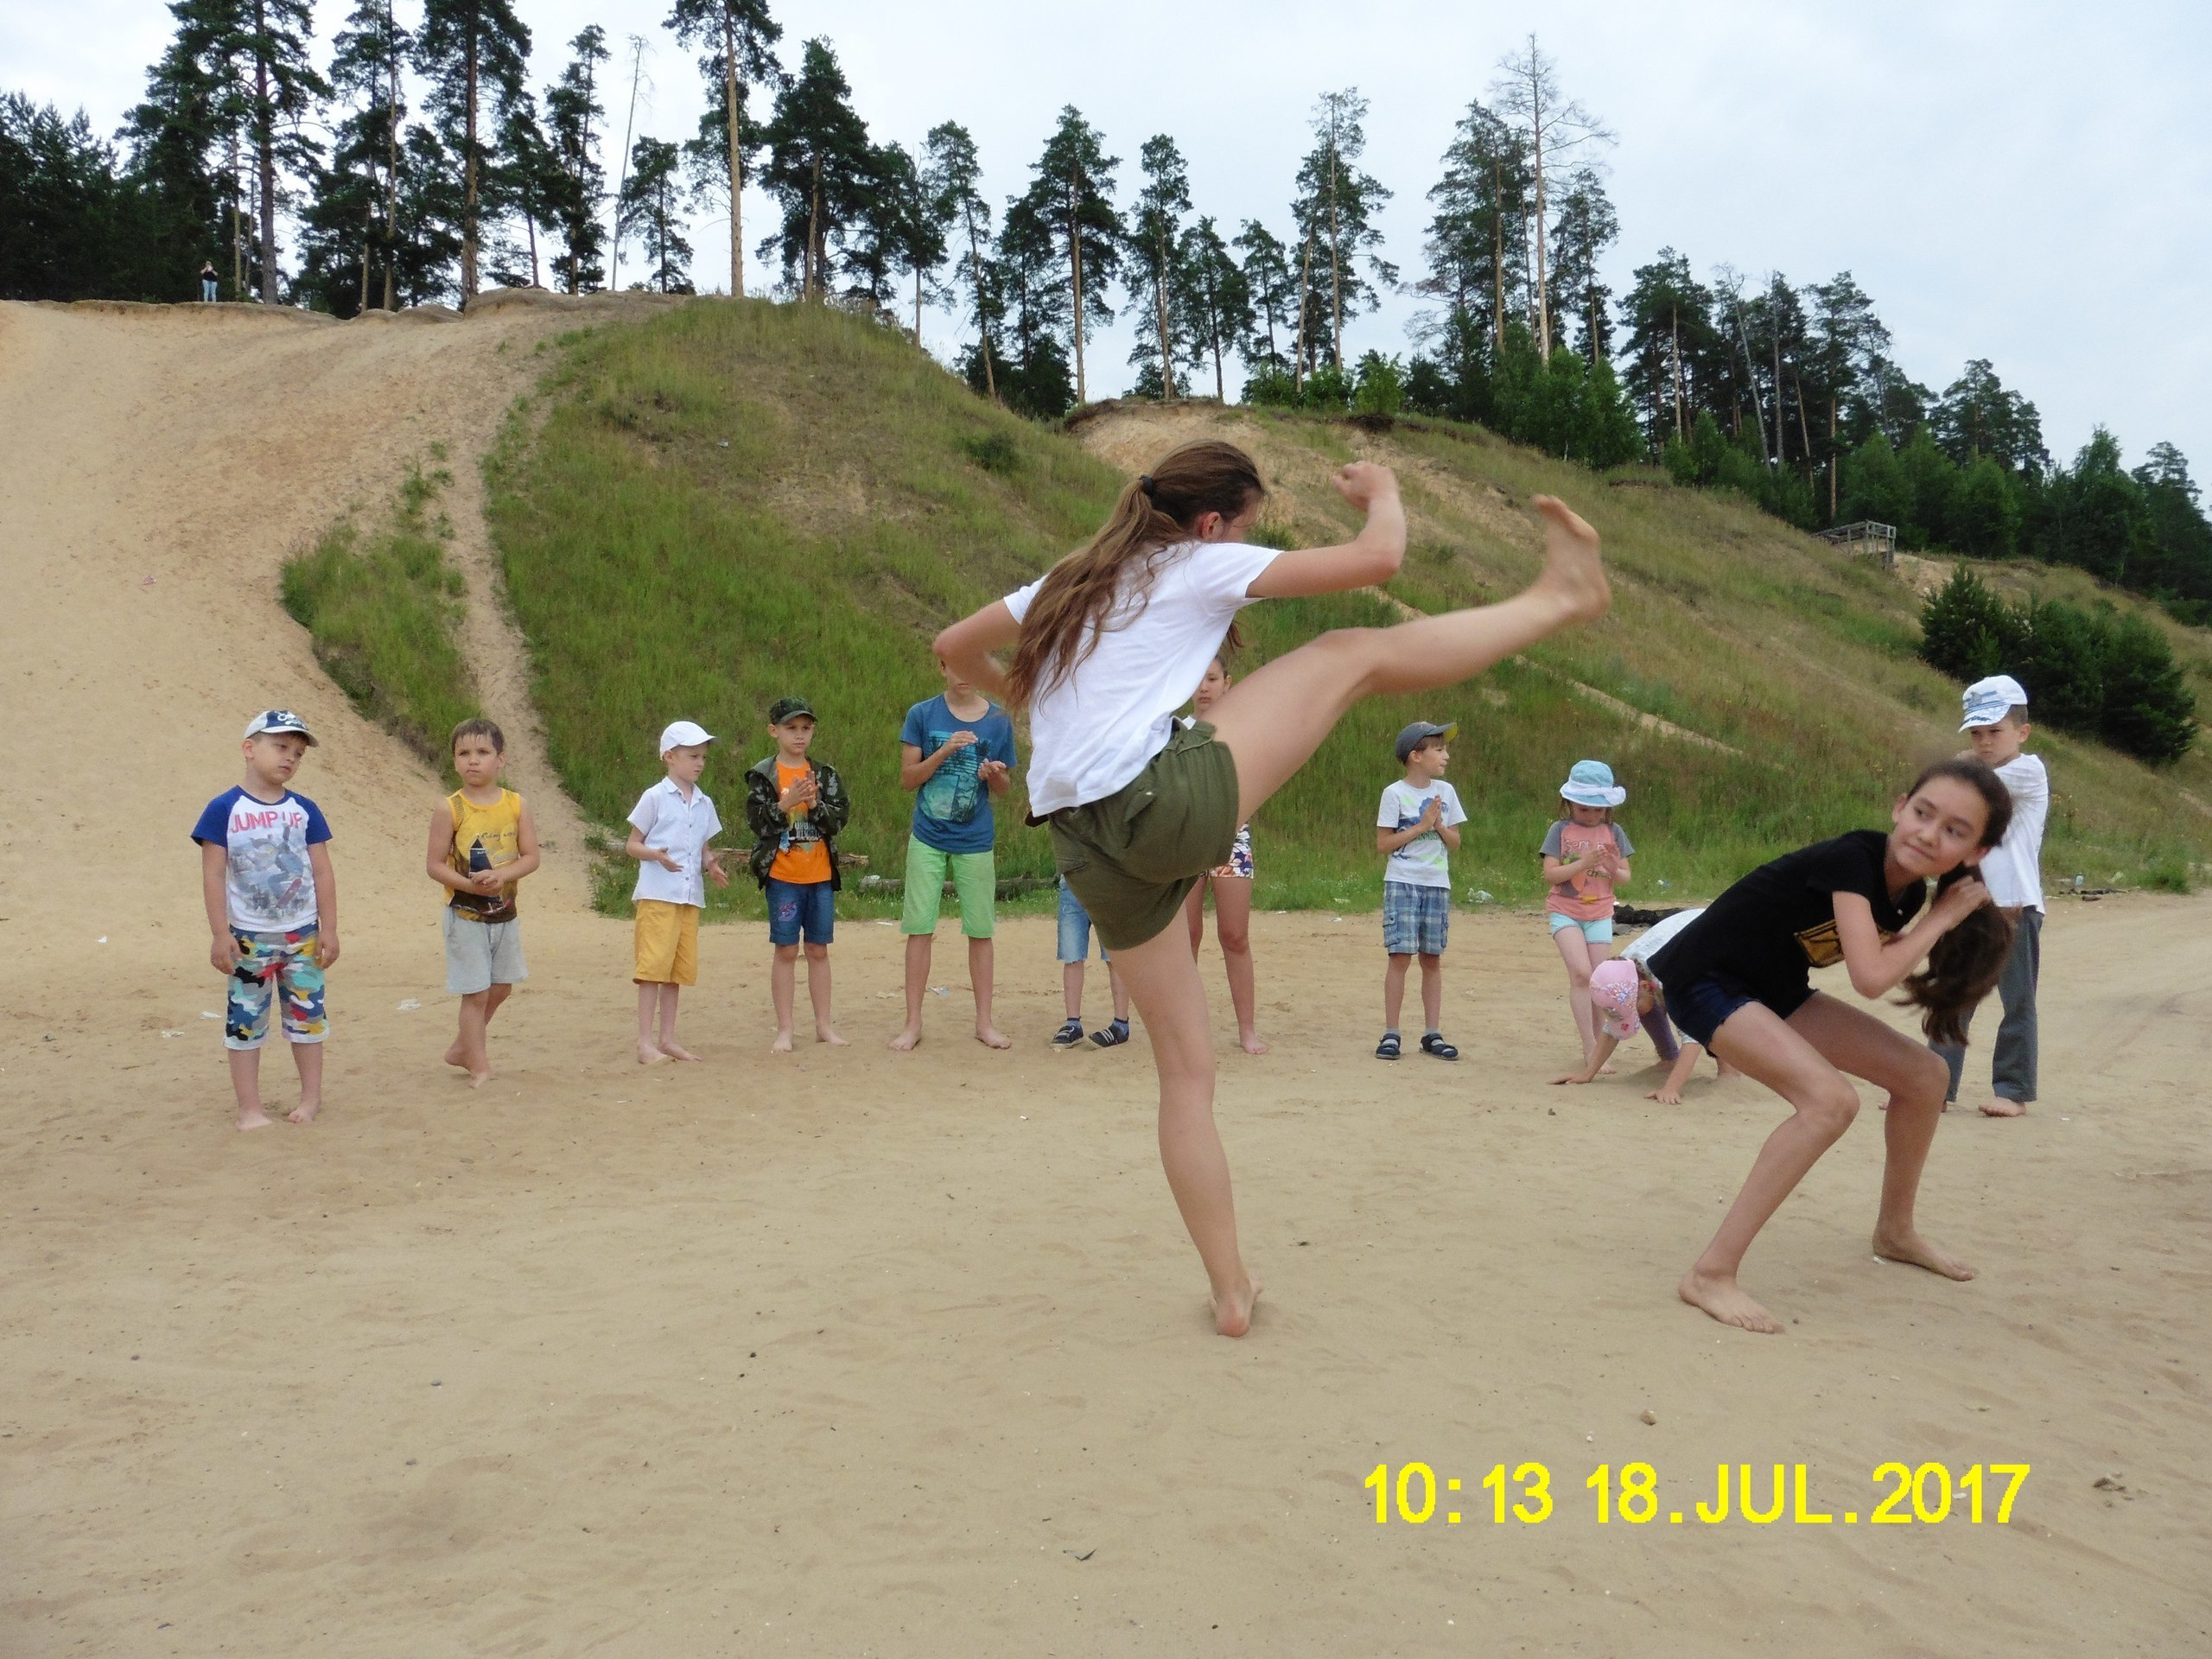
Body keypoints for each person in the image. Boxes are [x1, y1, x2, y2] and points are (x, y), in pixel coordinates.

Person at [933, 438, 1609, 1336]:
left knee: (1185, 1074)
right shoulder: (1195, 561)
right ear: (1213, 523)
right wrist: (1385, 489)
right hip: (1154, 804)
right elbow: (1380, 559)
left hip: (1082, 846)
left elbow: (951, 647)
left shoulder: (1070, 578)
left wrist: (1032, 702)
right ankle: (1560, 596)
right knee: (1348, 653)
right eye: (1249, 526)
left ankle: (1230, 1291)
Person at [1650, 760, 2016, 1334]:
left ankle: (1895, 1232)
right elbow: (1871, 976)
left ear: (1976, 853)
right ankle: (1711, 1274)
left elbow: (1876, 962)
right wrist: (1941, 919)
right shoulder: (1854, 860)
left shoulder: (1905, 895)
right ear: (1900, 807)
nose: (1928, 832)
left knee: (1925, 1076)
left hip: (1774, 991)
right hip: (1705, 982)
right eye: (1923, 813)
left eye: (1954, 830)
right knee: (1830, 1102)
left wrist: (1937, 920)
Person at [191, 710, 339, 1130]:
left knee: (308, 1020)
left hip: (303, 937)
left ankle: (311, 1098)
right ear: (249, 748)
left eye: (297, 753)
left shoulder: (305, 810)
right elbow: (213, 874)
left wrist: (329, 928)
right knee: (245, 1023)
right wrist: (220, 933)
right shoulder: (223, 809)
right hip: (248, 939)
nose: (289, 758)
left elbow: (323, 871)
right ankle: (249, 1109)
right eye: (280, 747)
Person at [1933, 675, 2047, 1117]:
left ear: (2022, 732)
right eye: (1976, 733)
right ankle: (1936, 1087)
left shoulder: (2027, 770)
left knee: (2016, 1001)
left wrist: (1958, 762)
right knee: (1952, 996)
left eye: (1994, 732)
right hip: (1967, 901)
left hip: (2015, 903)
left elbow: (1966, 781)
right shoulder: (1981, 771)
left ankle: (2013, 1090)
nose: (1984, 742)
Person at [892, 657, 1017, 1052]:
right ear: (943, 668)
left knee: (981, 930)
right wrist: (944, 751)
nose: (964, 675)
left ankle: (985, 1022)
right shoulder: (921, 714)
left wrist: (994, 775)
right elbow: (908, 779)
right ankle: (913, 1023)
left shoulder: (998, 720)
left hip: (975, 838)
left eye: (971, 666)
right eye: (956, 666)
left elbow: (1004, 788)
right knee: (919, 928)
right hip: (928, 835)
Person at [424, 718, 541, 1088]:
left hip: (506, 914)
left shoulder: (517, 804)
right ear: (454, 761)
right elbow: (434, 865)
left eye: (482, 752)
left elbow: (531, 857)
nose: (472, 761)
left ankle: (462, 1047)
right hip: (465, 916)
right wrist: (470, 886)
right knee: (474, 992)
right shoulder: (450, 809)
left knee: (501, 987)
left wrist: (502, 877)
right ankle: (479, 1064)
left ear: (500, 759)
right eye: (463, 753)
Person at [746, 697, 851, 1052]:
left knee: (819, 950)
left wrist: (815, 805)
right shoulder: (763, 774)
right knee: (786, 950)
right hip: (783, 876)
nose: (800, 735)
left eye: (806, 728)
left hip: (819, 875)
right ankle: (785, 1029)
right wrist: (786, 805)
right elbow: (757, 824)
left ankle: (824, 1025)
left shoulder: (825, 774)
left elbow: (838, 821)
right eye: (791, 728)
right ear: (774, 731)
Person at [1549, 906, 1738, 1103]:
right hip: (1692, 941)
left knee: (1710, 1006)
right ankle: (1669, 1059)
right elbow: (1614, 1024)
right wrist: (1588, 1073)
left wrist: (1671, 1088)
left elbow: (1693, 1037)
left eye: (1632, 1007)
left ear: (1646, 985)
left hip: (1725, 937)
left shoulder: (1672, 978)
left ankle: (1729, 1073)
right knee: (1647, 1004)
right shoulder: (1625, 970)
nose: (1633, 1013)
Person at [626, 719, 728, 1065]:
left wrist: (711, 864)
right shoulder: (654, 797)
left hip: (689, 896)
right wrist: (656, 855)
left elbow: (702, 845)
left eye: (702, 756)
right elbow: (632, 845)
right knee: (652, 969)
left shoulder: (704, 802)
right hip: (658, 895)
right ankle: (644, 1042)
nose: (699, 762)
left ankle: (667, 1038)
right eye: (692, 756)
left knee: (675, 971)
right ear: (670, 756)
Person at [1179, 657, 1267, 1055]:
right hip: (1186, 838)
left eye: (1212, 678)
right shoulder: (1175, 730)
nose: (1204, 687)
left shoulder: (1244, 727)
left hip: (1233, 837)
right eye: (1197, 679)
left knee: (1235, 936)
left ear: (1228, 682)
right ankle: (1185, 1030)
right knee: (1188, 937)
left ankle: (1246, 1029)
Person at [1376, 721, 1467, 1062]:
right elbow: (1384, 844)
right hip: (1402, 881)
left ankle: (1432, 1033)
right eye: (1438, 749)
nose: (1446, 755)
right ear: (1416, 755)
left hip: (1436, 883)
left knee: (1432, 958)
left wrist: (1439, 824)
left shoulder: (1447, 792)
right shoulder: (1394, 793)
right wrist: (1421, 827)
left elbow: (1455, 843)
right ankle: (1391, 1032)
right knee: (1400, 957)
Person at [1542, 760, 1633, 1071]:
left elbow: (1624, 877)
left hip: (1600, 912)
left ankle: (1599, 1044)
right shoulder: (1560, 830)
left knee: (1599, 980)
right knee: (1580, 974)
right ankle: (1589, 1045)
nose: (1592, 815)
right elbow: (1551, 874)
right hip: (1565, 911)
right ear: (1569, 803)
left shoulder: (1614, 831)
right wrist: (1583, 863)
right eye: (1584, 809)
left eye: (1598, 809)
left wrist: (1609, 865)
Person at [1056, 877, 1133, 1047]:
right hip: (1073, 880)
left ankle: (1121, 1024)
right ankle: (1072, 1023)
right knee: (1072, 955)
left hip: (1108, 881)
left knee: (1114, 955)